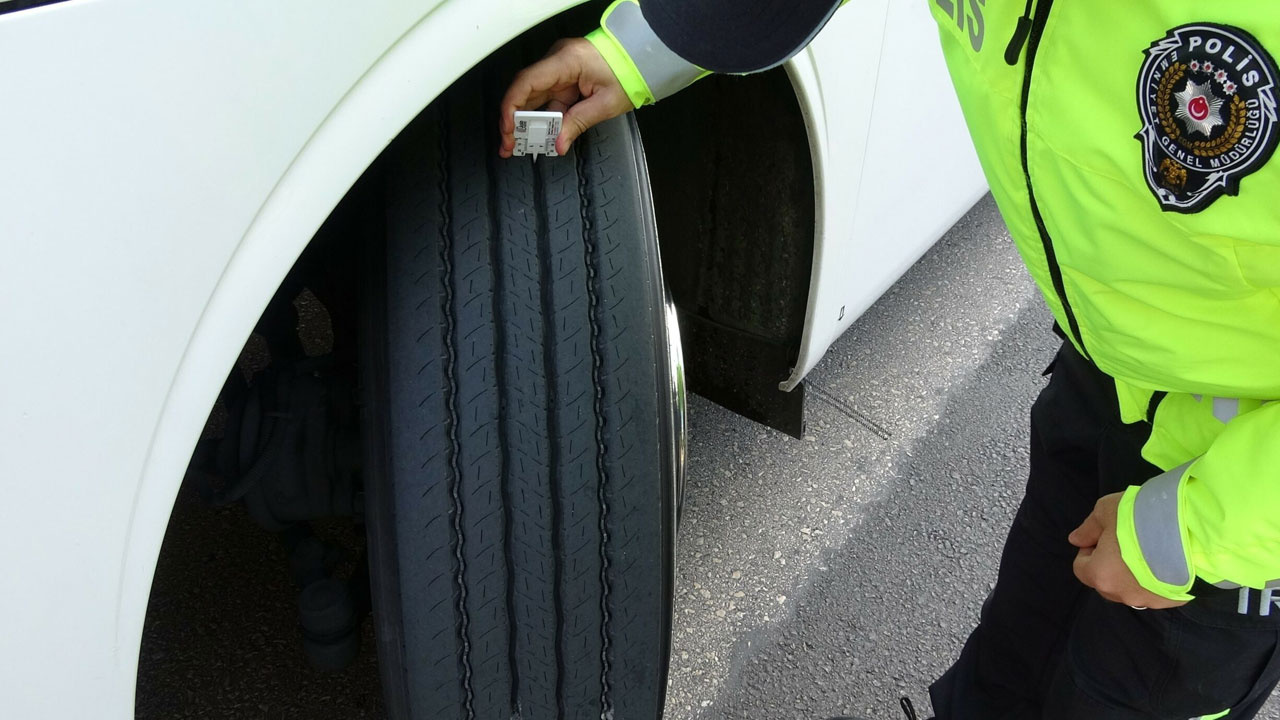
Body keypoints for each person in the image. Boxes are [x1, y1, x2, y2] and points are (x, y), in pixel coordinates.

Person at [498, 1, 1280, 717]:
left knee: (1122, 695)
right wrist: (640, 53)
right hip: (1108, 373)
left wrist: (1190, 533)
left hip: (1244, 477)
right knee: (1016, 649)